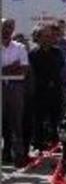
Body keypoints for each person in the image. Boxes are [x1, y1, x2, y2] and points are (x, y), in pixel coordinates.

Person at [28, 24, 66, 151]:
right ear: (38, 38)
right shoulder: (33, 54)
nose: (48, 39)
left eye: (50, 36)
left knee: (56, 119)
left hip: (55, 91)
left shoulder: (57, 52)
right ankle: (38, 144)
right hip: (40, 92)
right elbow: (32, 73)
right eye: (45, 36)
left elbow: (61, 69)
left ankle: (55, 144)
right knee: (38, 119)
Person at [2, 18, 30, 165]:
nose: (6, 30)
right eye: (4, 27)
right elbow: (17, 68)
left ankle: (17, 156)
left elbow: (24, 70)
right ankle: (4, 153)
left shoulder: (19, 47)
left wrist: (5, 70)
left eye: (9, 27)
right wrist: (13, 66)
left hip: (15, 88)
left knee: (16, 124)